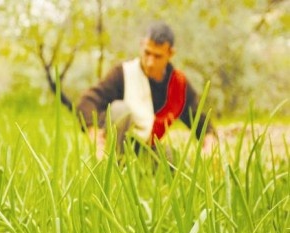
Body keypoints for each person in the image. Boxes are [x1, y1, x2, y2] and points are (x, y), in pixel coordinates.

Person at [76, 21, 217, 159]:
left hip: (147, 145)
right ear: (141, 45)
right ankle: (114, 166)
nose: (150, 62)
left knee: (173, 160)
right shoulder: (122, 73)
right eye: (147, 53)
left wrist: (209, 142)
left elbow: (199, 119)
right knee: (120, 110)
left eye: (157, 56)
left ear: (170, 54)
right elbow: (88, 100)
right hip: (117, 143)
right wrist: (94, 133)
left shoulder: (178, 85)